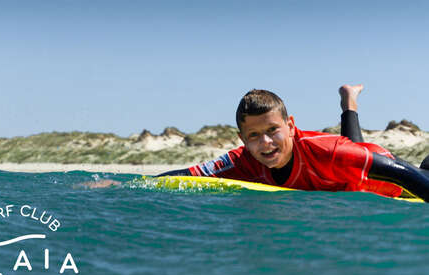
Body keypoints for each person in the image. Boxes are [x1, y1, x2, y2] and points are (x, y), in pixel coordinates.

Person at [159, 84, 429, 202]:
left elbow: (398, 172)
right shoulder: (242, 160)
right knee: (348, 158)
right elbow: (186, 175)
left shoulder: (327, 152)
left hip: (387, 180)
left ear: (290, 126)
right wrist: (125, 186)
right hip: (345, 177)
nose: (265, 143)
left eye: (273, 130)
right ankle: (348, 98)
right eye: (253, 135)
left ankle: (349, 103)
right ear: (241, 139)